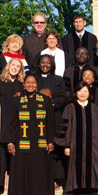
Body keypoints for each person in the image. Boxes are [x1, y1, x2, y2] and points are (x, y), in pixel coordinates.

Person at [3, 75, 55, 195]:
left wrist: (50, 141)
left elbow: (50, 122)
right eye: (28, 82)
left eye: (33, 82)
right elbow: (11, 123)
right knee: (22, 172)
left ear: (37, 85)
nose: (30, 85)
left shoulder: (45, 100)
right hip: (22, 142)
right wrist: (10, 142)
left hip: (40, 143)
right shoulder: (17, 100)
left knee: (39, 171)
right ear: (24, 84)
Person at [56, 82, 98, 195]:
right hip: (75, 146)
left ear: (89, 93)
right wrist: (66, 145)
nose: (83, 94)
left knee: (89, 172)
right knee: (75, 172)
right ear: (76, 93)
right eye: (80, 91)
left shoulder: (94, 108)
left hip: (91, 148)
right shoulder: (70, 108)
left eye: (85, 91)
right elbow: (64, 128)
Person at [35, 54, 68, 184]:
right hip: (37, 117)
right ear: (38, 64)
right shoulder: (34, 79)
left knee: (54, 146)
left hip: (54, 117)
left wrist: (51, 103)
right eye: (42, 62)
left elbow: (63, 98)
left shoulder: (58, 80)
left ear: (52, 65)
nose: (45, 65)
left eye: (48, 63)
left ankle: (56, 178)